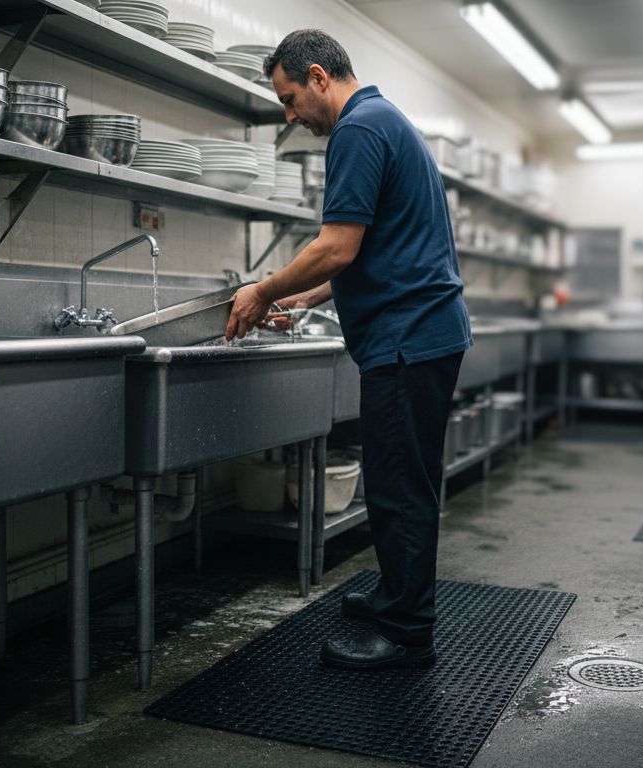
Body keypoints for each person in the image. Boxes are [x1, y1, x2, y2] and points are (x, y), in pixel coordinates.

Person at [224, 29, 472, 671]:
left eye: (289, 99)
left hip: (408, 341)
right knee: (400, 480)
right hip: (417, 334)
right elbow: (379, 251)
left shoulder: (358, 130)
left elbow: (338, 245)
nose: (290, 115)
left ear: (318, 76)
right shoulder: (385, 118)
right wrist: (308, 299)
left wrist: (261, 291)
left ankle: (407, 631)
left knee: (398, 489)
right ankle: (397, 595)